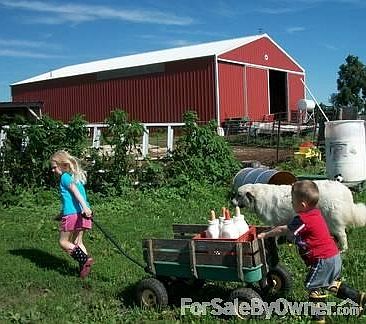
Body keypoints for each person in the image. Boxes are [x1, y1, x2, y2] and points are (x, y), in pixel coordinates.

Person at [258, 180, 365, 323]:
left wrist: (266, 234)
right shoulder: (315, 213)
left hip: (323, 260)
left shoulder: (302, 220)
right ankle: (359, 298)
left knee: (313, 286)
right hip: (333, 256)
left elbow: (284, 229)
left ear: (302, 205)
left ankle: (319, 319)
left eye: (292, 201)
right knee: (327, 283)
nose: (291, 204)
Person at [50, 150, 94, 278]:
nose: (53, 170)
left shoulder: (65, 177)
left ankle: (84, 260)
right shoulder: (76, 178)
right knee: (78, 242)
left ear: (63, 164)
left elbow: (76, 193)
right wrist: (85, 209)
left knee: (63, 242)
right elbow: (73, 198)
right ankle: (84, 270)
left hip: (73, 215)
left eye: (54, 167)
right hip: (83, 215)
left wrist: (84, 207)